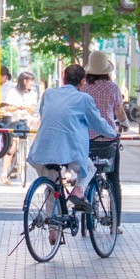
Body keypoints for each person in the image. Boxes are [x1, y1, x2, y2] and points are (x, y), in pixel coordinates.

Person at [27, 64, 117, 210]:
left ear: (63, 79)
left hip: (42, 149)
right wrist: (113, 133)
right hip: (70, 151)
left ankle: (53, 230)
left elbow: (45, 116)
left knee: (52, 189)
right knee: (89, 167)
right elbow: (97, 123)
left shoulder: (48, 94)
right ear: (82, 82)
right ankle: (78, 190)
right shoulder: (84, 99)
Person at [80, 50, 127, 215]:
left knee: (87, 174)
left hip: (87, 141)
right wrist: (125, 123)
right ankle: (116, 222)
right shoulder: (113, 88)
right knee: (114, 179)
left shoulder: (83, 89)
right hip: (108, 140)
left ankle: (88, 206)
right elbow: (120, 113)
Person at [0, 69, 39, 185]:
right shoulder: (13, 92)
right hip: (14, 120)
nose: (31, 83)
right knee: (11, 146)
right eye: (30, 81)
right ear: (24, 81)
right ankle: (4, 174)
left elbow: (32, 111)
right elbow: (8, 108)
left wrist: (28, 108)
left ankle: (22, 161)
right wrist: (18, 107)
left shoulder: (32, 93)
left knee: (35, 123)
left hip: (26, 121)